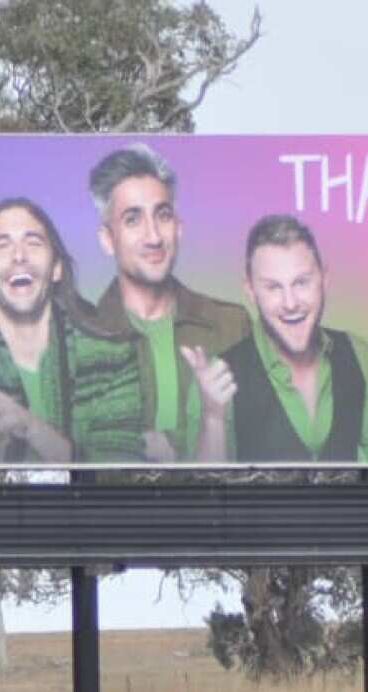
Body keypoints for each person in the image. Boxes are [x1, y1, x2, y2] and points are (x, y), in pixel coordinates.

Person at [0, 198, 146, 463]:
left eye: (33, 242)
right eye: (2, 245)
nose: (19, 256)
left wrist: (29, 427)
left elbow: (117, 475)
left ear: (56, 269)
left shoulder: (113, 357)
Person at [189, 214, 368, 463]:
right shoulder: (216, 378)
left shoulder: (359, 356)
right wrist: (213, 419)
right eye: (273, 287)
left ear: (324, 279)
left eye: (301, 282)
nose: (290, 303)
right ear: (250, 290)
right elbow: (204, 484)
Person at [88, 143, 249, 461]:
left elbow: (255, 441)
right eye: (132, 219)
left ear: (178, 228)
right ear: (107, 239)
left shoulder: (231, 325)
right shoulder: (83, 335)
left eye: (162, 216)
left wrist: (176, 446)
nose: (153, 237)